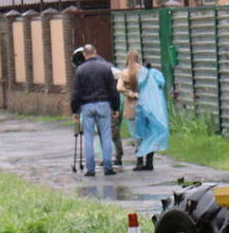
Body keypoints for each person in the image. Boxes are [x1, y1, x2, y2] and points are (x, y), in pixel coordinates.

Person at [70, 43, 120, 176]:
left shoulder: (80, 70)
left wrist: (75, 111)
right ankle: (108, 167)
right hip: (103, 104)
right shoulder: (105, 68)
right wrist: (115, 107)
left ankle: (90, 169)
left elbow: (76, 93)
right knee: (106, 136)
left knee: (89, 137)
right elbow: (113, 90)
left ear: (85, 55)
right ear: (96, 52)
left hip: (87, 106)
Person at [129, 51, 169, 171]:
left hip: (140, 108)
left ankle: (140, 161)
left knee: (140, 135)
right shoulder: (156, 75)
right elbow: (161, 85)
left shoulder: (138, 74)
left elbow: (134, 87)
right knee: (152, 134)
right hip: (155, 109)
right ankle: (149, 162)